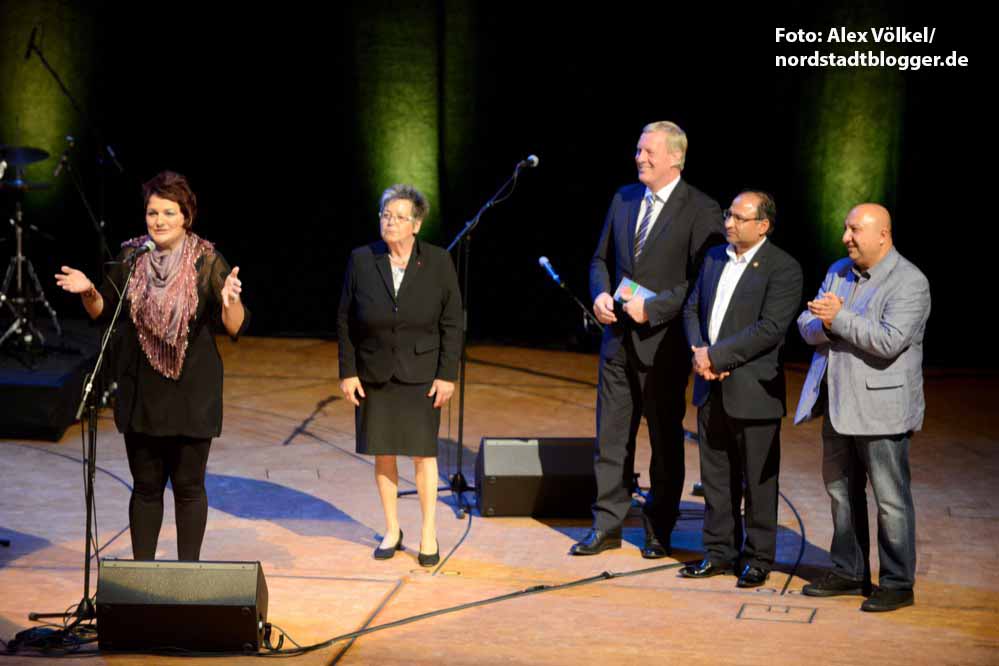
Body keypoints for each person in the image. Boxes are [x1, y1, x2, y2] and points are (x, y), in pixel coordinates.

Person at [55, 170, 248, 561]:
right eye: (152, 213)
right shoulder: (132, 257)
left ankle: (187, 578)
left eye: (168, 213)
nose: (158, 221)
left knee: (189, 487)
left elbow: (235, 326)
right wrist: (89, 291)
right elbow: (103, 311)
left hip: (192, 394)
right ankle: (142, 577)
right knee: (145, 487)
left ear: (186, 217)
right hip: (141, 390)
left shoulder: (206, 260)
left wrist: (230, 301)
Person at [575, 121, 723, 557]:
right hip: (617, 340)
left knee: (664, 440)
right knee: (610, 438)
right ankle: (606, 524)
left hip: (664, 345)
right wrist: (600, 294)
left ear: (675, 157)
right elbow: (600, 260)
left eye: (648, 151)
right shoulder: (623, 198)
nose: (639, 157)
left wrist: (654, 307)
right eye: (638, 150)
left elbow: (702, 279)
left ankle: (659, 527)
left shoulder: (701, 208)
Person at [794, 203, 930, 612]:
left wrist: (836, 320)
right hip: (837, 402)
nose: (845, 238)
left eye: (854, 230)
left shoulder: (910, 281)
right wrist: (824, 323)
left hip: (882, 409)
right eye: (845, 228)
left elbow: (889, 341)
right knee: (841, 492)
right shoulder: (838, 270)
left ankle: (897, 582)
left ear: (882, 235)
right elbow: (805, 324)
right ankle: (849, 571)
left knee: (890, 500)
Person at [679, 191, 802, 587]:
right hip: (709, 385)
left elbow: (770, 329)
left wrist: (717, 358)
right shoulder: (715, 257)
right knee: (716, 477)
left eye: (738, 218)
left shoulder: (783, 267)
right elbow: (692, 308)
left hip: (754, 390)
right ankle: (719, 552)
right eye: (728, 215)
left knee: (758, 482)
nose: (728, 223)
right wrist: (700, 353)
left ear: (763, 225)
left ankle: (758, 558)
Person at [337, 184, 461, 567]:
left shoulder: (438, 261)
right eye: (385, 215)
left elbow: (452, 322)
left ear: (416, 225)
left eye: (399, 217)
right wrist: (348, 372)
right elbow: (345, 320)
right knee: (383, 452)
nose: (390, 222)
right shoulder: (362, 259)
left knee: (423, 454)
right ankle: (392, 529)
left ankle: (428, 532)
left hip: (421, 374)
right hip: (375, 373)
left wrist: (447, 375)